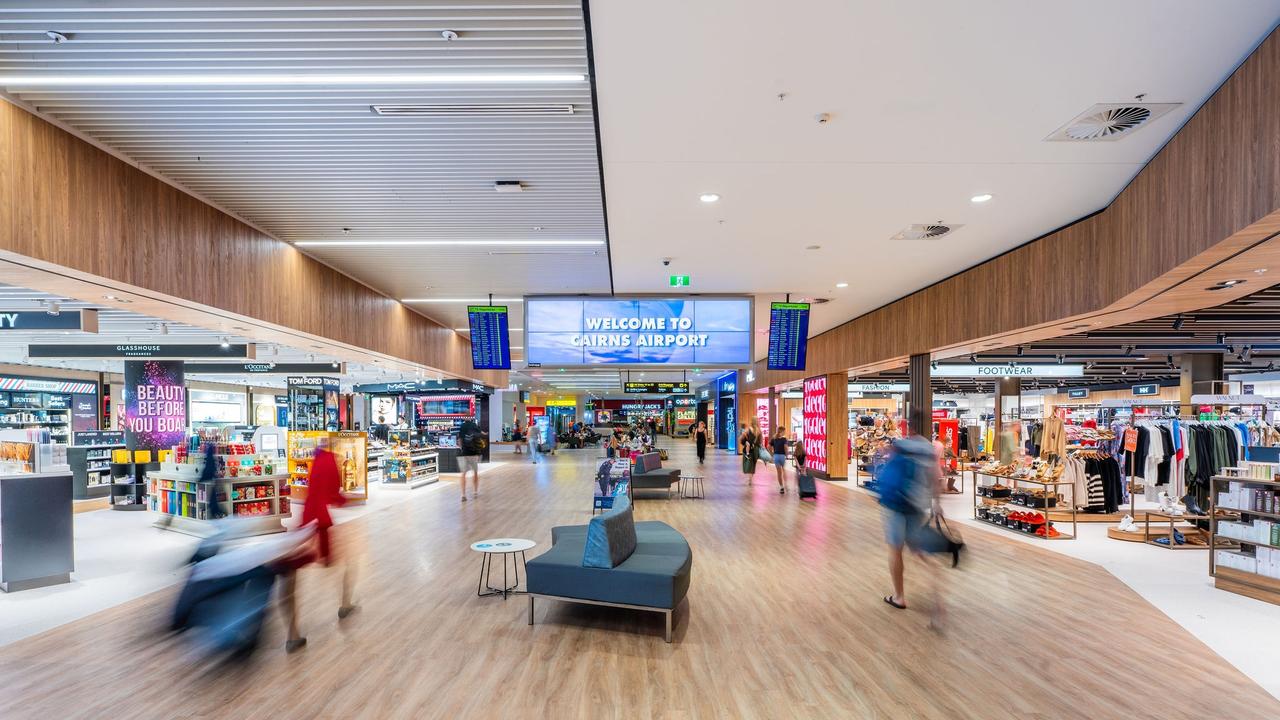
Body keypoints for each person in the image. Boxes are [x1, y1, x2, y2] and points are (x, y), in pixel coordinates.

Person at [877, 410, 951, 629]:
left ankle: (899, 597)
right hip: (917, 505)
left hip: (894, 504)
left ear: (909, 426)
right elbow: (937, 480)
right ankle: (938, 602)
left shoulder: (901, 445)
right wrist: (936, 503)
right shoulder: (929, 450)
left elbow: (886, 472)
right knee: (922, 553)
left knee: (895, 550)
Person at [280, 448, 355, 653]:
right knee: (346, 563)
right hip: (322, 524)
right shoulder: (330, 461)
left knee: (291, 578)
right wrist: (346, 499)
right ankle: (345, 604)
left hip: (305, 522)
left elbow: (320, 492)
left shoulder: (319, 461)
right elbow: (333, 494)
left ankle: (292, 634)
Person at [457, 419, 485, 501]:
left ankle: (463, 494)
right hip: (473, 453)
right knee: (475, 472)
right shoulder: (474, 426)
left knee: (463, 474)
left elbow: (460, 440)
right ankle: (475, 492)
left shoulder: (462, 426)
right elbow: (481, 435)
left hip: (464, 453)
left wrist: (461, 449)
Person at [740, 418, 761, 485]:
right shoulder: (759, 431)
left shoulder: (748, 430)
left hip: (748, 449)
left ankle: (749, 479)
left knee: (747, 463)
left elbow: (741, 439)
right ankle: (750, 479)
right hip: (755, 449)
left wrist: (745, 441)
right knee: (753, 464)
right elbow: (760, 441)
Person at [770, 427, 789, 494]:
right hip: (782, 456)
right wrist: (787, 455)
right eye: (784, 431)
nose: (785, 432)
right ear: (782, 431)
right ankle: (786, 485)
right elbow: (786, 448)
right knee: (784, 470)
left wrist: (772, 453)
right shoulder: (784, 439)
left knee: (779, 473)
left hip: (776, 456)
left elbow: (769, 446)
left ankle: (781, 487)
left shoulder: (774, 438)